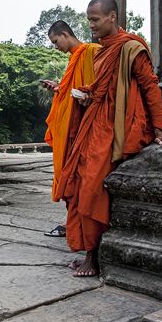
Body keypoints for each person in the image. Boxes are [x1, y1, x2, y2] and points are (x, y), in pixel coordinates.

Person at [57, 0, 162, 277]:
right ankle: (89, 250)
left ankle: (93, 256)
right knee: (77, 177)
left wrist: (160, 130)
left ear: (112, 17)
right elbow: (104, 85)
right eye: (89, 19)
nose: (90, 25)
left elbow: (150, 87)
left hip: (120, 125)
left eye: (95, 19)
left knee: (91, 183)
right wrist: (87, 92)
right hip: (97, 121)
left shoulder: (130, 48)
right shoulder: (102, 51)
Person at [41, 20, 100, 238]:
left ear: (66, 34)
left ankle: (80, 226)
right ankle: (73, 224)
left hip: (85, 128)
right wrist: (58, 89)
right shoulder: (74, 59)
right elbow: (73, 91)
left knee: (78, 179)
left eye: (56, 41)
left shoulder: (91, 52)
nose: (56, 46)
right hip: (70, 128)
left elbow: (100, 86)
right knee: (69, 177)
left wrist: (87, 95)